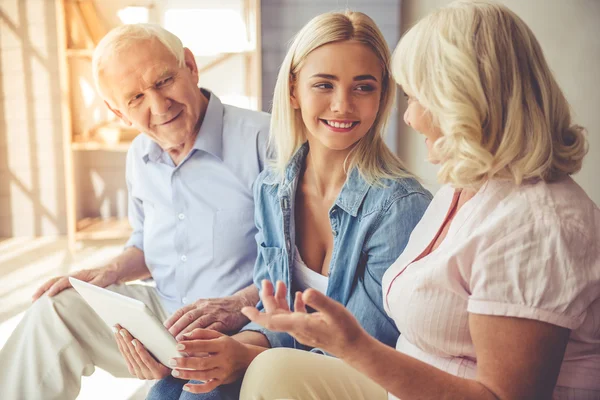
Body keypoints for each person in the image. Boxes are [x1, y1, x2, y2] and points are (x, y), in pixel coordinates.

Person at [239, 1, 600, 399]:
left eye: (422, 98)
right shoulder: (462, 188)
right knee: (250, 375)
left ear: (474, 99)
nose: (409, 119)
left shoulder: (538, 224)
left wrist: (350, 344)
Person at [147, 10, 432, 400]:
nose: (342, 105)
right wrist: (226, 348)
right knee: (172, 385)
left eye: (363, 87)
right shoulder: (273, 186)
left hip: (358, 377)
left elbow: (365, 344)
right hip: (288, 361)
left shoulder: (401, 207)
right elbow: (273, 311)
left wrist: (245, 359)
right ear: (294, 90)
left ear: (382, 95)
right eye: (324, 85)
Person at [0, 24, 270, 400]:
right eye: (136, 98)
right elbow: (147, 245)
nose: (159, 106)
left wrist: (239, 304)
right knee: (55, 309)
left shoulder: (264, 140)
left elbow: (300, 262)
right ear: (117, 112)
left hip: (243, 322)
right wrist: (108, 271)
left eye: (164, 81)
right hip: (165, 315)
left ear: (190, 66)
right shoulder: (138, 156)